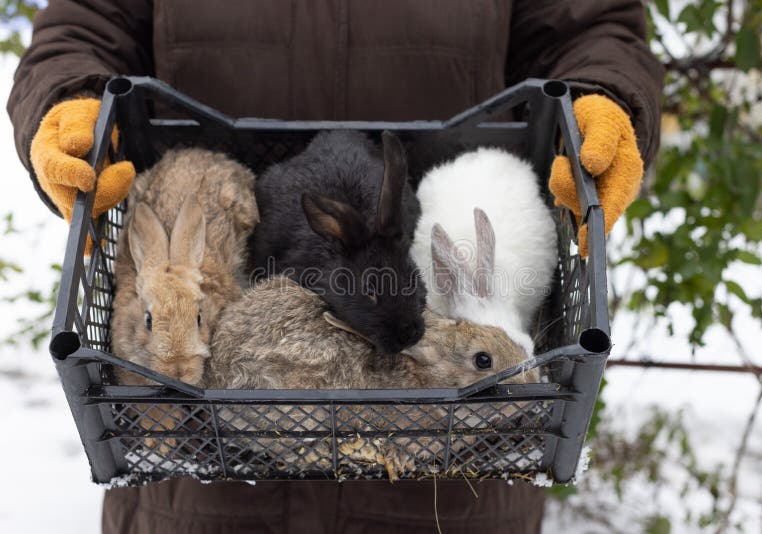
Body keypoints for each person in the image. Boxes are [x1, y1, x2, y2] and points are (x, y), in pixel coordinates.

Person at [7, 1, 663, 532]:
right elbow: (88, 21)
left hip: (450, 498)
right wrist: (69, 99)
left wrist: (605, 96)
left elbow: (588, 24)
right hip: (200, 495)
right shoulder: (285, 253)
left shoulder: (412, 253)